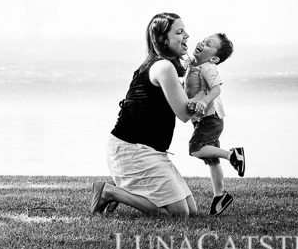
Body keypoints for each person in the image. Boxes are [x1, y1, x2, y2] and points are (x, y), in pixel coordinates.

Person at [90, 12, 203, 218]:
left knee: (191, 211)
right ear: (162, 39)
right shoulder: (163, 66)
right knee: (178, 214)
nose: (187, 35)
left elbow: (185, 105)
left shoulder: (160, 65)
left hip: (150, 151)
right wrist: (208, 93)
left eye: (185, 30)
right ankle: (109, 191)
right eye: (179, 32)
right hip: (132, 150)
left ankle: (119, 190)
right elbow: (185, 113)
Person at [184, 33, 244, 216]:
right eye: (203, 40)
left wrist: (203, 101)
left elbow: (216, 88)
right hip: (205, 119)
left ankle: (232, 154)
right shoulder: (193, 65)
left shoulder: (208, 67)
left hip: (211, 118)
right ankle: (220, 196)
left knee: (195, 148)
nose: (202, 43)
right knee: (211, 159)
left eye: (208, 44)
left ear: (214, 58)